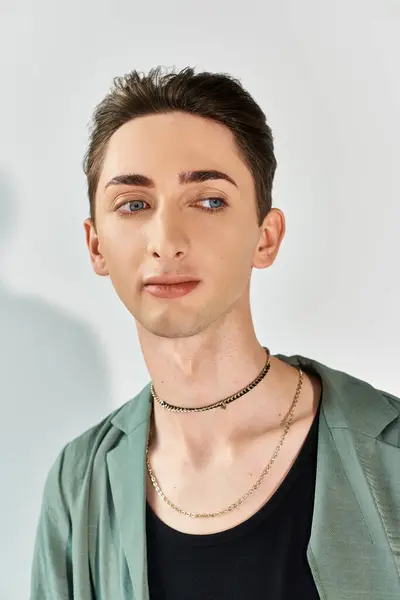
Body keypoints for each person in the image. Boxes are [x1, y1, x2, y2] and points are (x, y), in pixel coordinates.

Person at [30, 66, 400, 600]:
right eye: (133, 204)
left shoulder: (388, 455)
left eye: (208, 200)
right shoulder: (78, 485)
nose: (166, 241)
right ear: (96, 246)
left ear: (266, 237)